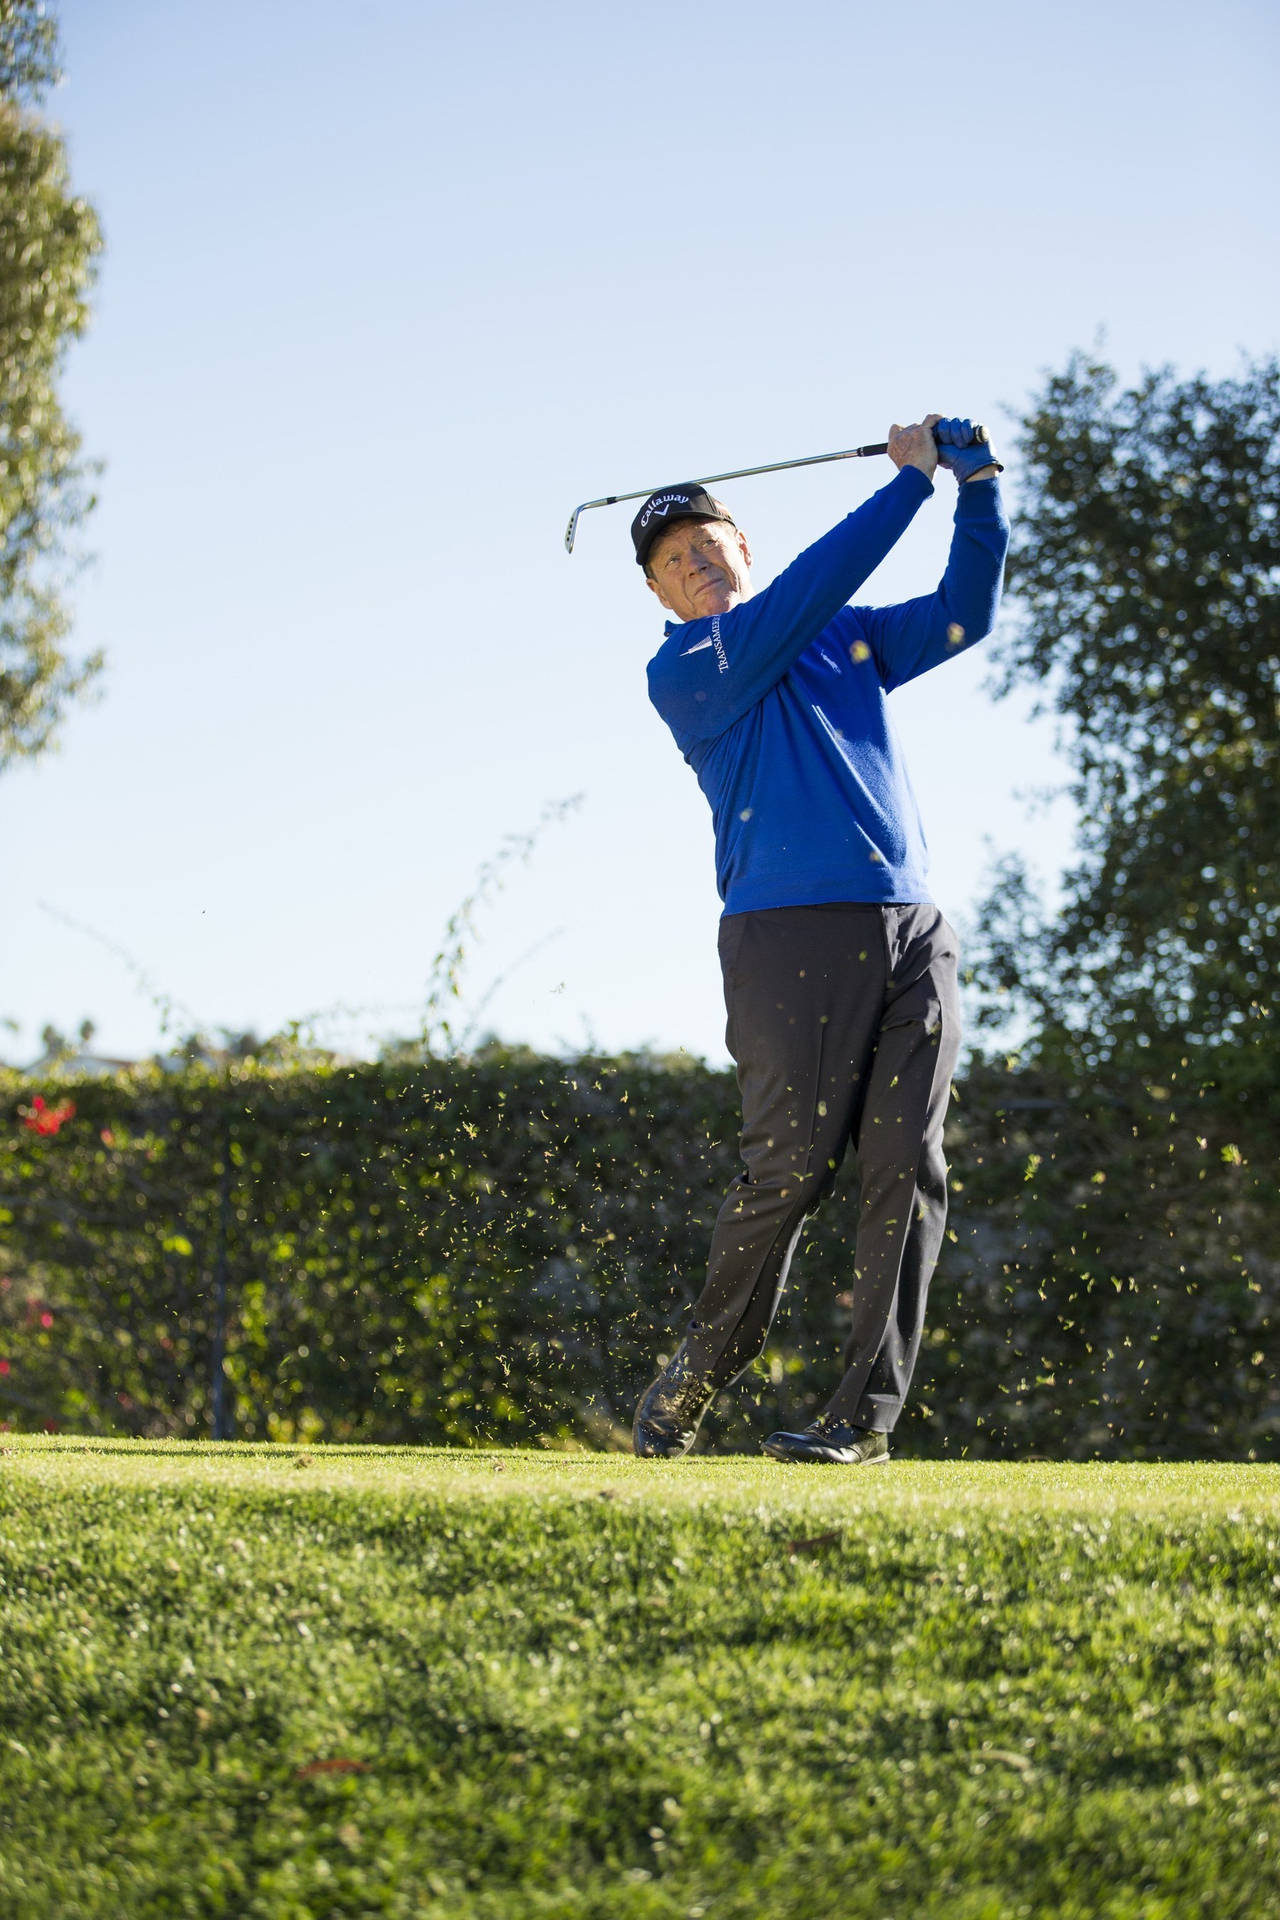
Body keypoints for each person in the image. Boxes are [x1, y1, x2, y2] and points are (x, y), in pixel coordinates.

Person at [631, 415, 1009, 1464]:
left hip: (910, 929)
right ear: (658, 594)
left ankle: (862, 1420)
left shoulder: (842, 640)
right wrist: (907, 483)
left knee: (906, 1165)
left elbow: (960, 616)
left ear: (739, 550)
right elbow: (811, 589)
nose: (695, 563)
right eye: (672, 560)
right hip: (782, 937)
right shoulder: (690, 668)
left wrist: (974, 488)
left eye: (709, 544)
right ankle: (698, 1375)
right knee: (790, 1171)